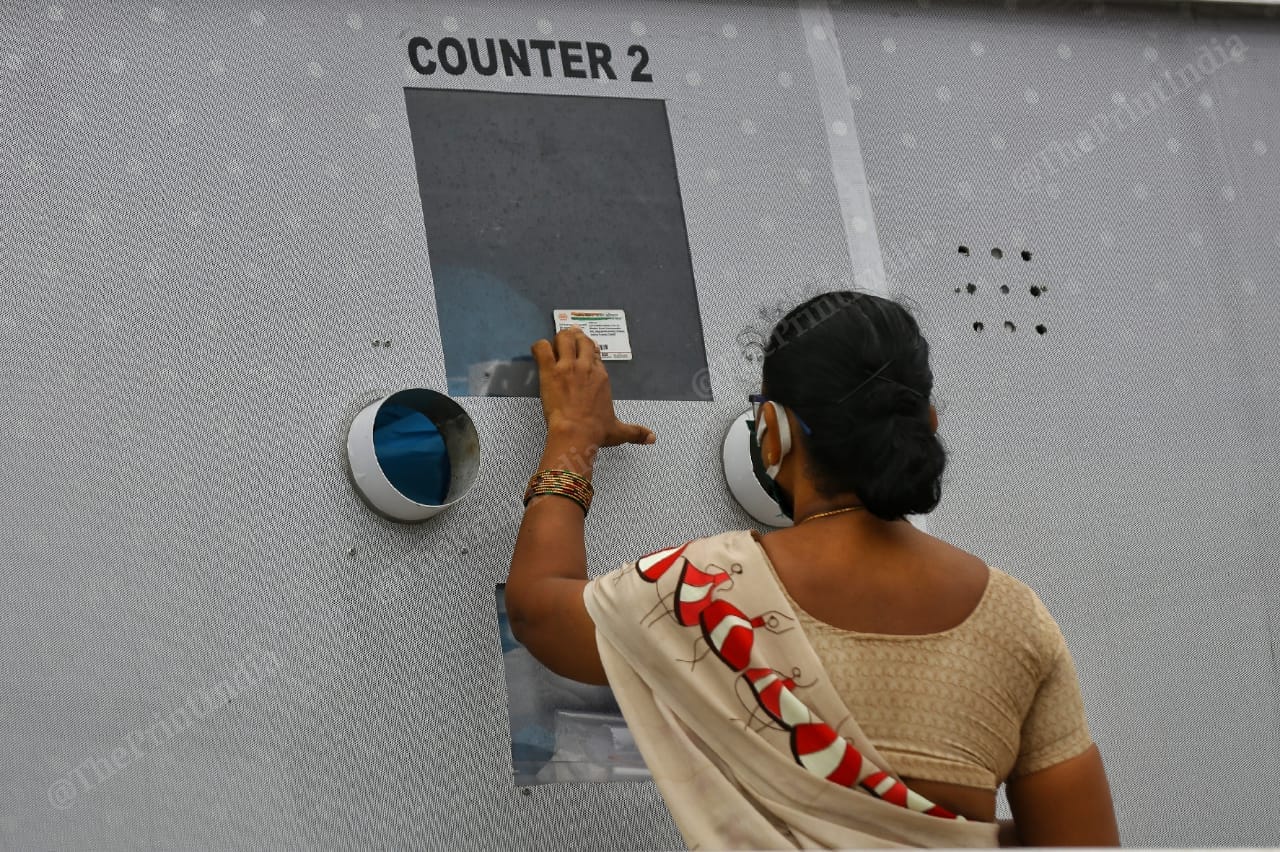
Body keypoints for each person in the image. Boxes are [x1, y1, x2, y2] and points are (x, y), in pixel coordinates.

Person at [505, 291, 1119, 848]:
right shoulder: (1015, 619)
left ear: (770, 436)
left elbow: (538, 607)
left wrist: (572, 437)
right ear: (926, 427)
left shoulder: (703, 589)